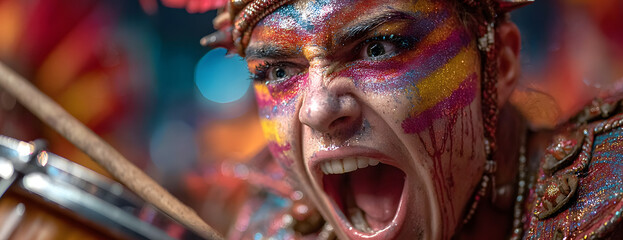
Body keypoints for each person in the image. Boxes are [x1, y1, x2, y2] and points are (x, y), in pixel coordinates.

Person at [202, 0, 623, 239]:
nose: (318, 110)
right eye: (279, 72)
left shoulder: (609, 191)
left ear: (499, 64)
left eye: (378, 48)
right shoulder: (271, 226)